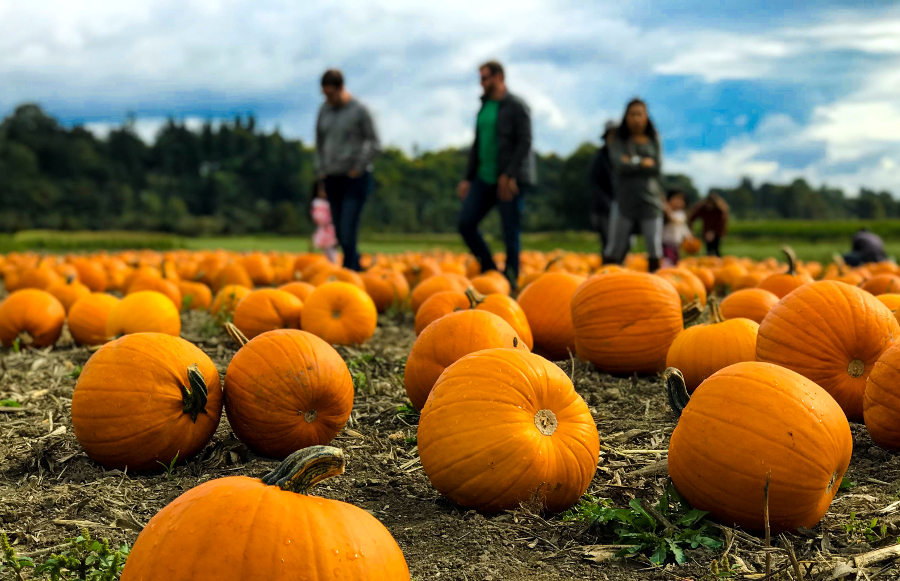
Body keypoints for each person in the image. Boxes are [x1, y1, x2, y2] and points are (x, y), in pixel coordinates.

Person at [457, 60, 536, 288]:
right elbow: (478, 144)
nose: (482, 83)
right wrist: (467, 178)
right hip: (484, 177)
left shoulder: (516, 105)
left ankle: (511, 279)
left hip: (509, 179)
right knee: (466, 223)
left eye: (485, 78)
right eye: (481, 79)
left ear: (499, 77)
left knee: (510, 229)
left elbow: (525, 142)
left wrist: (510, 174)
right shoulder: (484, 107)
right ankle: (490, 269)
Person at [314, 69, 380, 271]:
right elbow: (319, 142)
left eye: (331, 94)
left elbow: (374, 143)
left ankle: (350, 270)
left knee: (347, 226)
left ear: (341, 88)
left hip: (354, 178)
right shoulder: (324, 111)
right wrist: (321, 170)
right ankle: (355, 266)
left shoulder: (359, 110)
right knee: (340, 233)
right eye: (325, 94)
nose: (328, 99)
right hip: (332, 177)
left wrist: (358, 167)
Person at [603, 98, 665, 272]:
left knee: (654, 246)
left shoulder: (654, 138)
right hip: (624, 200)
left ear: (646, 117)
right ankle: (604, 284)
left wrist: (631, 161)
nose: (636, 119)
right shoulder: (618, 139)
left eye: (640, 114)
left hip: (650, 200)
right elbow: (619, 165)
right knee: (615, 246)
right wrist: (642, 162)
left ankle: (657, 284)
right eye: (632, 114)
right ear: (626, 117)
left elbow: (657, 167)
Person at [587, 120, 617, 255]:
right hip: (604, 208)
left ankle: (619, 271)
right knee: (608, 243)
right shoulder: (600, 158)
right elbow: (595, 185)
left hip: (621, 207)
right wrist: (609, 204)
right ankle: (608, 271)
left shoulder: (622, 157)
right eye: (612, 135)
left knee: (622, 243)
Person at [662, 189, 694, 265]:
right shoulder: (663, 215)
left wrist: (688, 236)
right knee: (666, 261)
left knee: (675, 261)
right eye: (676, 199)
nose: (679, 202)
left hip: (676, 243)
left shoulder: (680, 214)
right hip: (665, 243)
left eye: (681, 200)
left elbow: (681, 226)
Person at [310, 182, 339, 264]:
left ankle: (332, 263)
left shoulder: (331, 202)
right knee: (327, 248)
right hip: (324, 230)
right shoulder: (318, 203)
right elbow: (317, 217)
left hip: (331, 229)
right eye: (322, 190)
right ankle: (330, 264)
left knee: (332, 248)